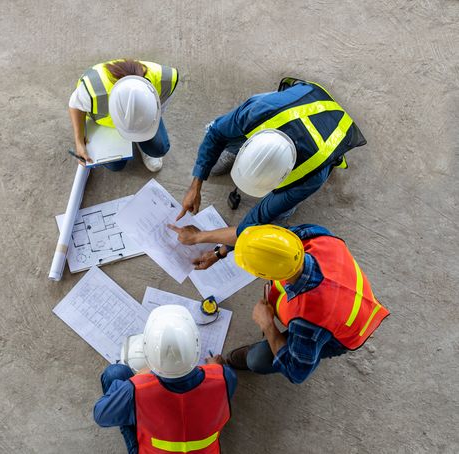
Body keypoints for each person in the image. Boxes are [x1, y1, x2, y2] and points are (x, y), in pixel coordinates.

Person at [168, 78, 367, 270]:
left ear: (283, 176)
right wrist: (196, 183)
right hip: (298, 103)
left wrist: (205, 242)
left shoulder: (308, 178)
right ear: (251, 143)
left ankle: (284, 208)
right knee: (219, 130)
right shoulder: (258, 112)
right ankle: (234, 147)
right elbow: (216, 134)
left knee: (278, 212)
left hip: (328, 127)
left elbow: (250, 227)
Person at [223, 224, 389, 384]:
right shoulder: (313, 235)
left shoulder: (309, 319)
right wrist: (213, 248)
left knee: (257, 360)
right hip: (346, 297)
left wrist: (267, 325)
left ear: (264, 274)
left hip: (345, 330)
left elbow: (296, 372)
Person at [94, 305, 237, 453]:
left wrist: (137, 379)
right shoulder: (225, 377)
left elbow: (101, 416)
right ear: (196, 347)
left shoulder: (136, 390)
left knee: (115, 373)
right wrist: (216, 368)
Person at [69, 59, 179, 172]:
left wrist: (144, 125)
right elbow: (75, 105)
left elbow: (161, 109)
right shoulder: (93, 92)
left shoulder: (165, 80)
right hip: (104, 125)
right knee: (115, 166)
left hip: (143, 120)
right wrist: (79, 141)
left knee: (159, 148)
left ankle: (142, 141)